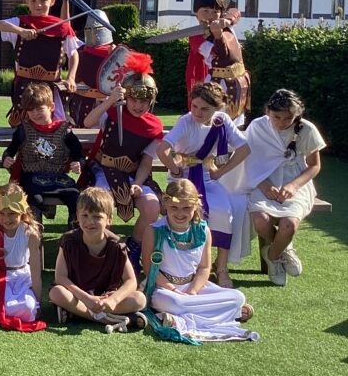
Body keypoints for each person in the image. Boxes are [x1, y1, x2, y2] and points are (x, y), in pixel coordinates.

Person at [220, 89, 326, 286]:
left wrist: (293, 186)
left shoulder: (307, 129)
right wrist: (264, 184)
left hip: (296, 181)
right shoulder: (257, 126)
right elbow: (248, 160)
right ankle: (282, 249)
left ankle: (272, 254)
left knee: (289, 224)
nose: (281, 122)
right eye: (276, 117)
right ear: (268, 111)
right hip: (261, 180)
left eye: (288, 118)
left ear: (297, 115)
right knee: (261, 220)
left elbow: (314, 165)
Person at [158, 81, 250, 289]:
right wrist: (174, 169)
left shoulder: (222, 120)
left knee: (224, 212)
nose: (197, 112)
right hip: (183, 179)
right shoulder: (185, 121)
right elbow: (162, 149)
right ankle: (186, 267)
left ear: (217, 108)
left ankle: (222, 268)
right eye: (195, 106)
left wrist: (222, 172)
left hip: (208, 177)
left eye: (204, 109)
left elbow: (244, 148)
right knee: (186, 213)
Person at [142, 179, 258, 343]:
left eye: (186, 208)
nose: (180, 213)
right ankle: (230, 313)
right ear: (165, 204)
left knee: (238, 297)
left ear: (195, 206)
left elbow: (204, 268)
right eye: (174, 207)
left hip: (194, 288)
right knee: (176, 303)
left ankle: (183, 320)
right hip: (164, 290)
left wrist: (192, 292)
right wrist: (174, 291)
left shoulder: (203, 229)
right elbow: (149, 270)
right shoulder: (154, 231)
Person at [80, 52, 164, 268]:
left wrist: (137, 183)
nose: (138, 105)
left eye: (144, 101)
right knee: (100, 204)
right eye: (134, 99)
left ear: (151, 100)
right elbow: (88, 123)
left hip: (133, 175)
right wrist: (109, 101)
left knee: (152, 206)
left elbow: (146, 161)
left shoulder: (154, 126)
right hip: (103, 170)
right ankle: (105, 250)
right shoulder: (112, 113)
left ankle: (133, 249)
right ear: (126, 97)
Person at [48, 188, 146, 333]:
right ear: (77, 217)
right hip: (80, 295)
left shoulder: (117, 245)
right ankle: (106, 319)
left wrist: (114, 300)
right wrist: (86, 298)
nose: (90, 222)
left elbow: (131, 281)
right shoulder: (69, 241)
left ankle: (77, 313)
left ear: (109, 219)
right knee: (56, 293)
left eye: (97, 217)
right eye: (85, 215)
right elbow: (60, 277)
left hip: (106, 297)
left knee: (139, 299)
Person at [0, 0, 79, 126]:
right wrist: (20, 31)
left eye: (43, 0)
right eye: (33, 1)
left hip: (51, 87)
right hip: (24, 87)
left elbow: (73, 54)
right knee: (23, 126)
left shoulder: (61, 26)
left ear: (52, 1)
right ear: (27, 2)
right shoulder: (21, 22)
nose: (38, 5)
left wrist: (71, 77)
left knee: (54, 126)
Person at [2, 82, 83, 224]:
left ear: (51, 107)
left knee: (76, 198)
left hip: (58, 177)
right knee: (34, 200)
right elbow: (10, 150)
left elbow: (79, 155)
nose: (35, 114)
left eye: (39, 109)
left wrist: (78, 164)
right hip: (30, 178)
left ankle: (74, 235)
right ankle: (35, 236)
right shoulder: (23, 130)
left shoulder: (65, 131)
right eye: (31, 110)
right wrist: (7, 158)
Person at [0, 184, 46, 332]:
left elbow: (35, 271)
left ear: (22, 212)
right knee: (5, 308)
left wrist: (38, 301)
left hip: (22, 276)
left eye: (12, 214)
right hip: (1, 276)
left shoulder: (29, 233)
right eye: (2, 213)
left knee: (29, 309)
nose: (6, 219)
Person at [186, 0, 250, 123]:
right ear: (196, 13)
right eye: (205, 11)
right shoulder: (196, 38)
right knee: (215, 121)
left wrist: (227, 21)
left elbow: (235, 11)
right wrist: (218, 36)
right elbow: (222, 55)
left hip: (239, 82)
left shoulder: (225, 25)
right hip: (217, 84)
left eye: (215, 11)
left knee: (236, 125)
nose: (211, 15)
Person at [66, 7, 117, 127]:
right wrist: (65, 2)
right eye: (90, 28)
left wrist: (115, 58)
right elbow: (66, 30)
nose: (94, 31)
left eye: (98, 28)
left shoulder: (116, 52)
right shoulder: (80, 50)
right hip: (81, 103)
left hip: (107, 104)